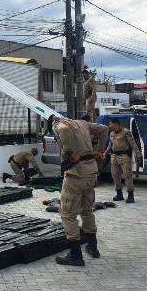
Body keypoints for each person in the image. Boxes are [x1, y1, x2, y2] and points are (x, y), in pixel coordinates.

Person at [49, 114, 108, 266]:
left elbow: (63, 129)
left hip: (76, 174)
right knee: (87, 211)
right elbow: (104, 129)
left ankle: (75, 255)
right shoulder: (82, 123)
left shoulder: (59, 125)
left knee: (68, 214)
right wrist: (100, 150)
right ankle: (93, 248)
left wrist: (68, 152)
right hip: (91, 172)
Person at [104, 118, 142, 203]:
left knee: (127, 175)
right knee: (115, 175)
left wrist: (138, 154)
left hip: (124, 156)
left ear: (116, 124)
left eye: (110, 124)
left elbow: (133, 144)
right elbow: (110, 144)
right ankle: (119, 194)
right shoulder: (112, 133)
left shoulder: (126, 132)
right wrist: (105, 153)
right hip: (114, 156)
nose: (109, 126)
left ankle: (130, 195)